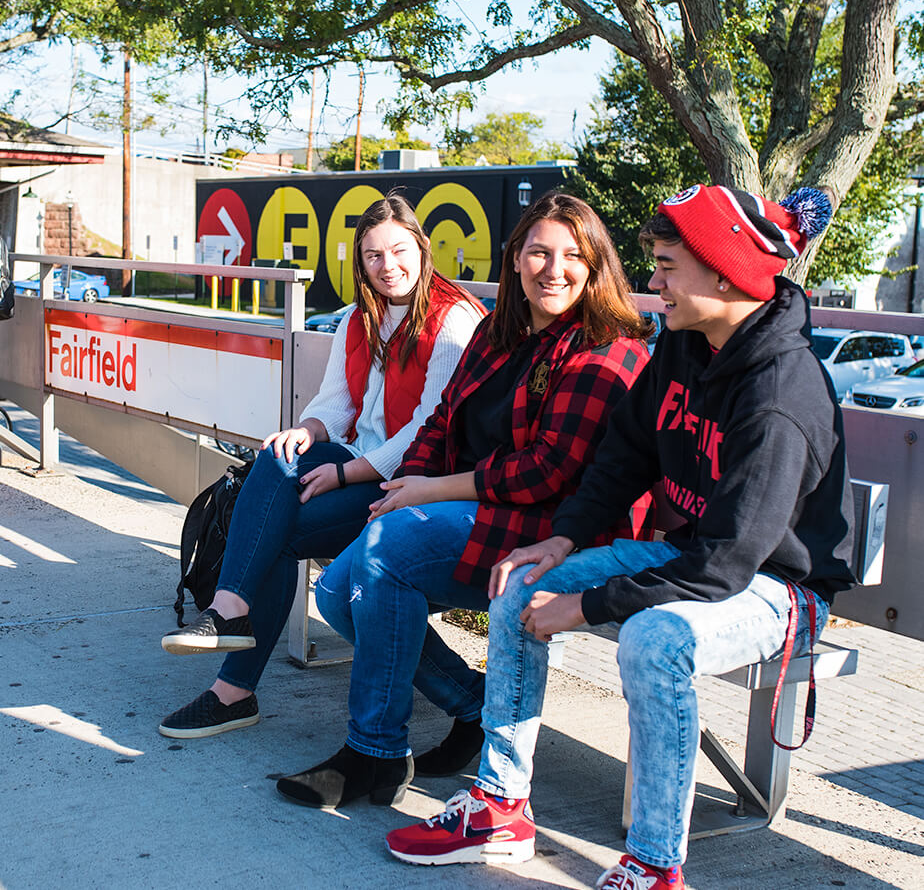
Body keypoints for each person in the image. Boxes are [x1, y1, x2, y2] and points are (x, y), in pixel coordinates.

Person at [385, 184, 858, 889]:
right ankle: (501, 805)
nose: (653, 281)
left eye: (667, 265)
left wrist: (592, 605)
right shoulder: (686, 345)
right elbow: (625, 454)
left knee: (652, 640)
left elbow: (727, 565)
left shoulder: (780, 396)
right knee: (524, 584)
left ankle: (656, 864)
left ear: (724, 274)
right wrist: (563, 541)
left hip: (777, 586)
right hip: (695, 557)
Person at [272, 191, 656, 811]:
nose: (552, 269)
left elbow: (551, 471)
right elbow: (441, 421)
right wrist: (405, 485)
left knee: (386, 552)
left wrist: (429, 491)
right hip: (480, 510)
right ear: (515, 259)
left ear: (595, 266)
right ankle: (474, 705)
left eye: (570, 256)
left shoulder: (605, 346)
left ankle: (373, 752)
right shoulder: (499, 333)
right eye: (537, 252)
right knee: (337, 593)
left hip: (560, 529)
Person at [158, 193, 485, 738]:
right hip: (357, 461)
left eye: (399, 250)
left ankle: (232, 687)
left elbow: (432, 429)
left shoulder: (454, 322)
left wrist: (346, 473)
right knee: (277, 456)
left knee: (279, 532)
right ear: (360, 262)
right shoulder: (360, 317)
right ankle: (229, 614)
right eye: (374, 257)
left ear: (423, 248)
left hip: (418, 481)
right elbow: (334, 405)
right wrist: (305, 432)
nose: (388, 267)